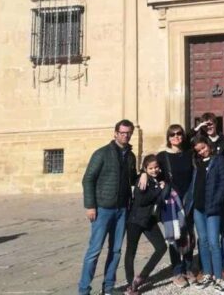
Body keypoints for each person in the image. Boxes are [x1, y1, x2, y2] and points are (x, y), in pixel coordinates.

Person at [79, 120, 138, 295]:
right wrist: (90, 206)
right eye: (122, 132)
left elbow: (132, 178)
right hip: (103, 209)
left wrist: (144, 175)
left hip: (122, 210)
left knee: (116, 250)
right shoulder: (102, 153)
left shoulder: (130, 156)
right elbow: (88, 179)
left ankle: (109, 288)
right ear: (115, 133)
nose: (125, 135)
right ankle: (84, 290)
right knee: (94, 251)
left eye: (128, 133)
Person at [137, 125, 196, 287]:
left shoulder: (189, 153)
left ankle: (188, 268)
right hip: (171, 203)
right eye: (172, 134)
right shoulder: (162, 156)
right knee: (175, 237)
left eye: (179, 134)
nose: (176, 137)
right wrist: (143, 173)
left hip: (188, 200)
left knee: (189, 236)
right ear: (168, 137)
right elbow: (150, 167)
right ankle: (177, 272)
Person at [193, 113, 224, 278]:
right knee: (204, 236)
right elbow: (188, 143)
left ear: (216, 124)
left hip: (219, 194)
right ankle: (205, 267)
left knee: (223, 229)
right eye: (205, 124)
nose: (208, 126)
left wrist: (221, 191)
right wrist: (196, 128)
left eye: (211, 123)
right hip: (203, 197)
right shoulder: (199, 143)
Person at [189, 140, 224, 294]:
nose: (202, 151)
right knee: (203, 241)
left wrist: (217, 201)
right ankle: (207, 274)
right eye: (198, 150)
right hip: (198, 208)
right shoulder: (197, 163)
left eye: (203, 147)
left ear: (209, 145)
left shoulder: (218, 160)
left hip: (212, 208)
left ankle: (219, 279)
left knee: (214, 242)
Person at [124, 155, 168, 295]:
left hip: (149, 220)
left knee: (161, 247)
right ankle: (130, 285)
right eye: (150, 168)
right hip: (136, 220)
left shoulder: (157, 179)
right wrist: (158, 189)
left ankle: (142, 277)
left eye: (156, 167)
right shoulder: (142, 180)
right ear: (145, 168)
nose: (154, 170)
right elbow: (142, 200)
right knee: (131, 251)